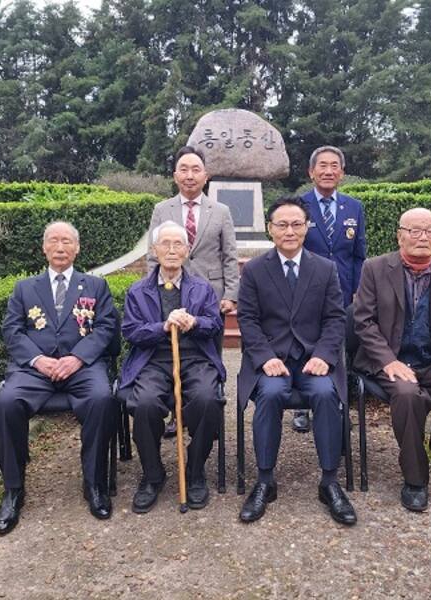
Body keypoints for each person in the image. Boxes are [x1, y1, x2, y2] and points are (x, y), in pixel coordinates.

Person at [0, 221, 120, 535]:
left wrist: (77, 357)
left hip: (82, 367)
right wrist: (38, 359)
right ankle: (14, 490)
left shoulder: (95, 286)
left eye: (66, 242)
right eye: (53, 241)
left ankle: (94, 483)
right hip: (36, 369)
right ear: (44, 248)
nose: (60, 248)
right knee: (6, 402)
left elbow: (105, 328)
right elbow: (12, 330)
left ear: (77, 248)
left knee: (103, 399)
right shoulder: (25, 288)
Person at [352, 208, 431, 520]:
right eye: (414, 230)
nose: (422, 236)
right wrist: (387, 361)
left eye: (429, 230)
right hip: (391, 360)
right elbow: (363, 321)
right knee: (408, 395)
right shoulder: (375, 268)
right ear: (400, 235)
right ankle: (415, 479)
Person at [236, 196, 356, 526]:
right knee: (271, 394)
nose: (290, 231)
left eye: (297, 224)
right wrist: (264, 358)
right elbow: (247, 319)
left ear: (306, 228)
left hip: (311, 361)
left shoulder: (325, 268)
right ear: (270, 229)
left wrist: (323, 356)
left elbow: (335, 318)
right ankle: (264, 480)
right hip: (273, 359)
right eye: (282, 224)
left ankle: (329, 482)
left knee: (324, 393)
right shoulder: (255, 270)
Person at [121, 221, 226, 513]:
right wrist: (162, 327)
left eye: (177, 244)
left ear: (187, 250)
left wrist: (195, 322)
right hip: (153, 360)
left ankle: (194, 470)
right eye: (164, 244)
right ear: (154, 250)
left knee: (207, 399)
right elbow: (131, 331)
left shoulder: (202, 289)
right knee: (144, 403)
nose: (171, 250)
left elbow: (215, 324)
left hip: (194, 357)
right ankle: (153, 475)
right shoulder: (137, 291)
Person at [147, 146, 239, 436]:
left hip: (210, 298)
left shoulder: (221, 211)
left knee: (206, 355)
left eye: (195, 170)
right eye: (184, 169)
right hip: (171, 294)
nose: (189, 176)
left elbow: (230, 256)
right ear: (175, 175)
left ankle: (205, 411)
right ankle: (177, 413)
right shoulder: (162, 210)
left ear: (206, 175)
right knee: (174, 354)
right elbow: (153, 256)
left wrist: (230, 294)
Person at [292, 145, 367, 433]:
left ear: (342, 173)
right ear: (311, 172)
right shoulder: (299, 206)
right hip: (306, 291)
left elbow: (359, 254)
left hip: (345, 292)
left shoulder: (354, 207)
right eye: (322, 165)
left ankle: (338, 402)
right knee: (305, 344)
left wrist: (358, 289)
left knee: (340, 347)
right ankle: (302, 407)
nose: (328, 171)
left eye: (334, 166)